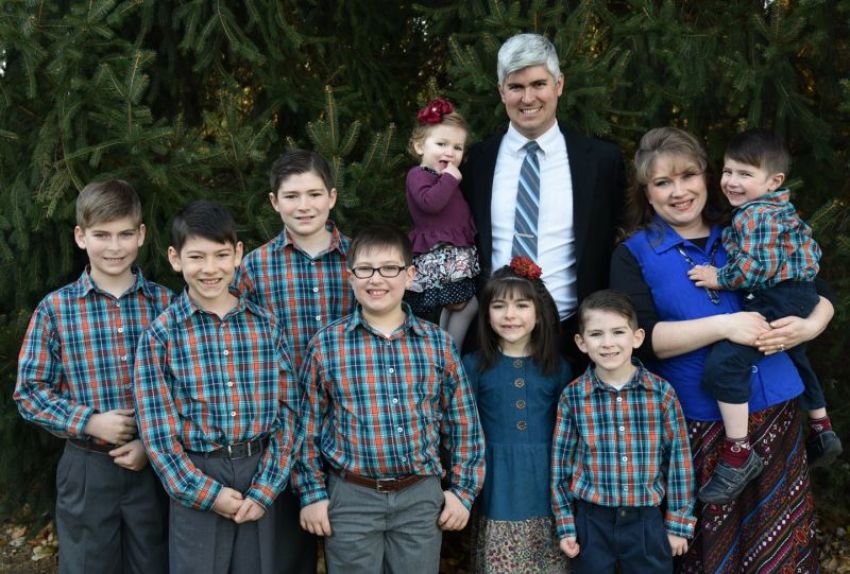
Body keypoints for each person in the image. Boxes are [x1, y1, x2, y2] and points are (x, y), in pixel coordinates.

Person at [610, 127, 834, 572]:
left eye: (688, 176)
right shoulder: (634, 253)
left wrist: (811, 324)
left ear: (705, 176)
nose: (679, 192)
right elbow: (641, 341)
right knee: (712, 552)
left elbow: (816, 288)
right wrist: (723, 325)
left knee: (781, 551)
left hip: (777, 410)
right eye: (662, 183)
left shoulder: (747, 224)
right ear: (646, 193)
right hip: (702, 424)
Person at [296, 224, 486, 574]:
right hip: (351, 496)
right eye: (365, 269)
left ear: (410, 275)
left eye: (389, 268)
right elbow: (306, 430)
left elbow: (464, 424)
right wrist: (312, 494)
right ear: (350, 276)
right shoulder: (327, 346)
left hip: (419, 497)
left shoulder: (436, 344)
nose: (376, 279)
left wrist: (463, 491)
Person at [134, 200, 300, 574]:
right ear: (176, 259)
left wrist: (266, 490)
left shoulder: (266, 326)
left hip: (262, 472)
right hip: (196, 474)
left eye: (221, 255)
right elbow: (157, 433)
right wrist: (206, 494)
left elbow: (290, 413)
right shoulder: (161, 336)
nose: (210, 269)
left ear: (238, 254)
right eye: (197, 257)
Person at [15, 180, 171, 573]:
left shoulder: (168, 305)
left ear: (141, 235)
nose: (114, 247)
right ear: (81, 237)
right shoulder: (56, 309)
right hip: (86, 468)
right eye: (102, 235)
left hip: (156, 465)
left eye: (124, 234)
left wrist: (150, 444)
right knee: (87, 565)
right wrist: (89, 420)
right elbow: (30, 392)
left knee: (155, 561)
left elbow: (188, 386)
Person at [685, 129, 841, 503]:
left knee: (725, 363)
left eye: (744, 174)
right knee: (796, 350)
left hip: (776, 297)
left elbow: (754, 269)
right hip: (799, 294)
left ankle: (739, 453)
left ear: (774, 181)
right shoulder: (782, 210)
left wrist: (717, 278)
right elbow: (810, 255)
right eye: (728, 171)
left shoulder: (753, 217)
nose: (732, 182)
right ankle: (821, 426)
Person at [461, 32, 626, 360]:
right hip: (492, 336)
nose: (528, 98)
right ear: (501, 92)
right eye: (516, 87)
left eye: (538, 84)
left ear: (559, 84)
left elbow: (614, 237)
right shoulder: (475, 162)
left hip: (572, 336)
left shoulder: (601, 161)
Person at [239, 149, 353, 573]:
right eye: (291, 196)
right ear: (274, 202)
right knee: (286, 551)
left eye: (313, 193)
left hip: (351, 424)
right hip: (282, 427)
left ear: (332, 197)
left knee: (351, 544)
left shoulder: (360, 262)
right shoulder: (253, 268)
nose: (303, 205)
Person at [551, 289, 695, 574]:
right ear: (581, 342)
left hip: (646, 521)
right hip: (592, 522)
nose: (608, 343)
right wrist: (566, 525)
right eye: (596, 335)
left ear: (637, 337)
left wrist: (678, 522)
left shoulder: (661, 393)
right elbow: (561, 466)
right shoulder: (574, 397)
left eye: (618, 332)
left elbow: (679, 460)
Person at [463, 256, 571, 573]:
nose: (510, 315)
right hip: (497, 479)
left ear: (539, 314)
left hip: (546, 479)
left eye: (522, 306)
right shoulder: (473, 365)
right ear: (486, 314)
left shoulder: (557, 367)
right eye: (499, 306)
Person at [404, 97, 480, 346]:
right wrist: (449, 178)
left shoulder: (445, 176)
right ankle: (450, 352)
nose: (450, 152)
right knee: (466, 305)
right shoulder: (419, 175)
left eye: (457, 148)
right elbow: (430, 203)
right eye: (441, 144)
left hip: (454, 252)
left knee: (458, 305)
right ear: (419, 147)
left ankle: (445, 348)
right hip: (440, 254)